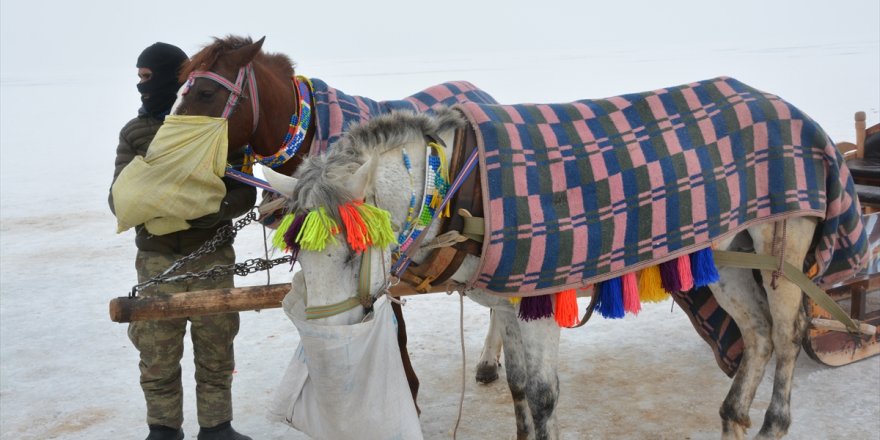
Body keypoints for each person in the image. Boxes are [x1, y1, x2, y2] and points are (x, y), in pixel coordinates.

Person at [109, 42, 256, 440]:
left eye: (148, 77)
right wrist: (178, 199)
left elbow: (245, 192)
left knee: (216, 348)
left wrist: (213, 208)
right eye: (139, 78)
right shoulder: (136, 132)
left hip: (213, 256)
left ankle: (217, 428)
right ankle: (163, 430)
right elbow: (120, 200)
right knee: (157, 352)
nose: (142, 86)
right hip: (157, 261)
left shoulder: (219, 129)